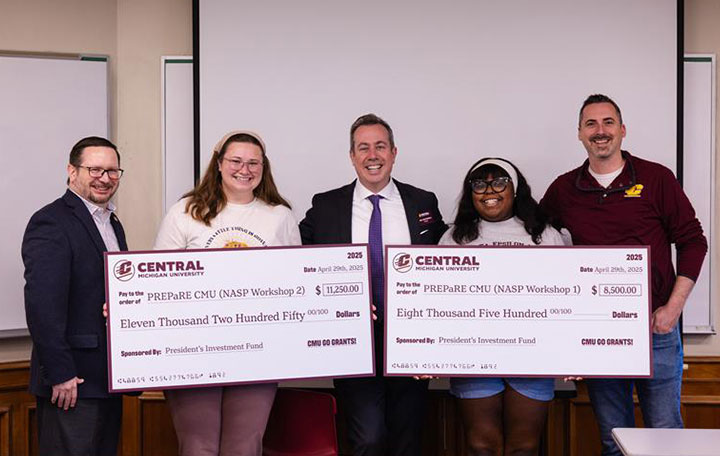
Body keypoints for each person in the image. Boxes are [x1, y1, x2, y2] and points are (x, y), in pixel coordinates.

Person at [541, 94, 708, 456]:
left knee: (667, 438)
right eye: (591, 124)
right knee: (613, 439)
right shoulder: (564, 189)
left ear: (622, 130)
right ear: (580, 135)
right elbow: (539, 245)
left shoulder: (656, 178)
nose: (600, 131)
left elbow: (693, 242)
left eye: (608, 122)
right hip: (599, 334)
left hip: (656, 330)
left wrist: (672, 309)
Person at [299, 113, 447, 456]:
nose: (372, 155)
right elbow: (299, 263)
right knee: (367, 439)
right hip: (354, 340)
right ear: (352, 156)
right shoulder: (325, 205)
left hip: (411, 340)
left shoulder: (423, 202)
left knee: (407, 439)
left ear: (394, 152)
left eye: (380, 146)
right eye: (363, 148)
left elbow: (444, 262)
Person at [154, 130, 300, 456]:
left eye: (253, 163)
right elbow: (158, 284)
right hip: (191, 350)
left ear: (264, 167)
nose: (244, 169)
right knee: (197, 447)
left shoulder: (280, 217)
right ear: (219, 163)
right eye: (235, 160)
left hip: (258, 352)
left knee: (245, 448)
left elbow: (295, 286)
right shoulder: (185, 211)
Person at [440, 157, 565, 456]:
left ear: (515, 188)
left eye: (499, 182)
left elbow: (566, 300)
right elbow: (439, 303)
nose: (489, 190)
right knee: (481, 446)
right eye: (480, 184)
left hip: (533, 358)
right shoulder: (454, 238)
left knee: (524, 448)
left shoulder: (545, 235)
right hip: (473, 358)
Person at [22, 136, 127, 455]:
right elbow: (43, 305)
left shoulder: (111, 223)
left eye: (112, 171)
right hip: (72, 381)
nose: (105, 178)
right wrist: (61, 373)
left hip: (107, 378)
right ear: (72, 171)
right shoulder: (51, 221)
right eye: (95, 169)